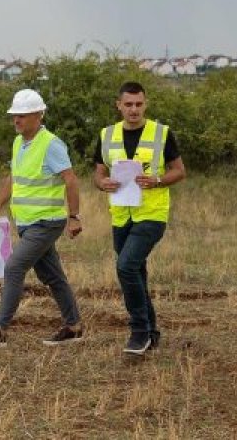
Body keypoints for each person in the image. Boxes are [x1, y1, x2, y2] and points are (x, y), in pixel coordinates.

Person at [0, 89, 83, 348]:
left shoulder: (51, 144)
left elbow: (71, 179)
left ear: (38, 115)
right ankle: (74, 326)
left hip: (46, 222)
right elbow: (14, 178)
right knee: (53, 277)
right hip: (27, 223)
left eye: (22, 115)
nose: (16, 120)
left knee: (13, 267)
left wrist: (74, 216)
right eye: (14, 116)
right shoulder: (18, 142)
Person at [93, 81, 186, 355]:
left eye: (139, 104)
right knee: (136, 271)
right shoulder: (107, 135)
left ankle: (139, 331)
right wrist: (103, 183)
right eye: (128, 104)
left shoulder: (162, 133)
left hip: (152, 214)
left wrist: (157, 180)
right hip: (121, 215)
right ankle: (152, 331)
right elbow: (97, 173)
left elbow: (179, 171)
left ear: (145, 104)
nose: (134, 110)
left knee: (125, 267)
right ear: (118, 105)